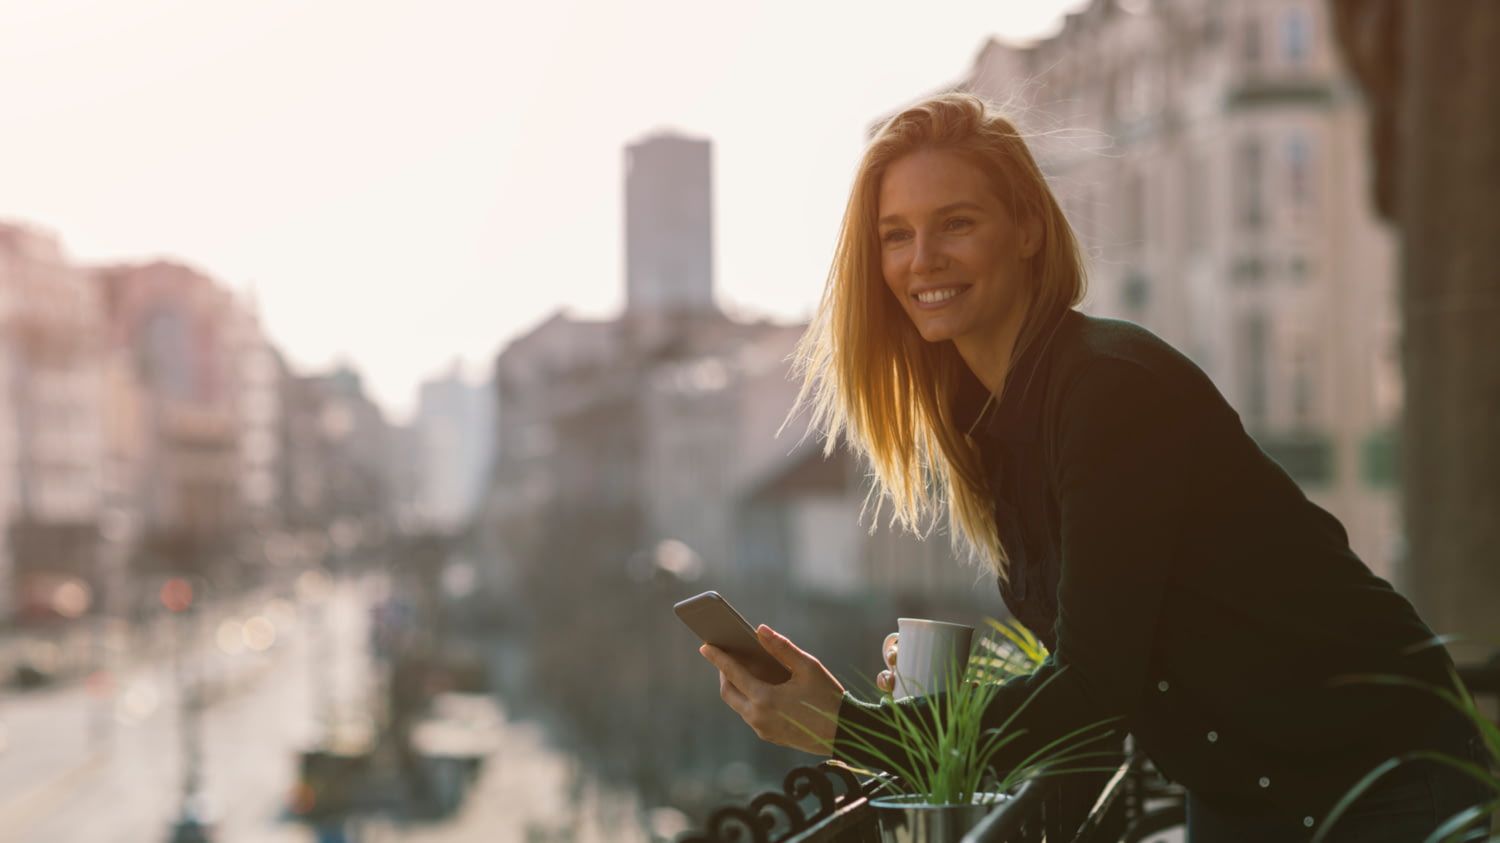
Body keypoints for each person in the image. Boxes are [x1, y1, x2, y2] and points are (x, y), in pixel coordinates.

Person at [698, 93, 1491, 842]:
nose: (922, 258)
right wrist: (923, 709)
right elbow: (1111, 654)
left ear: (1029, 229)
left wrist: (845, 727)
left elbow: (1090, 692)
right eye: (895, 234)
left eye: (956, 222)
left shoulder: (1106, 389)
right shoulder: (1000, 423)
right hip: (1247, 791)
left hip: (1378, 779)